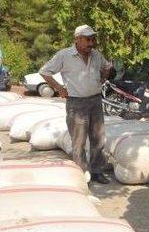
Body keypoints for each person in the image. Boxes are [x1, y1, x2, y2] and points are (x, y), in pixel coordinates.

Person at [39, 24, 112, 184]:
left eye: (93, 39)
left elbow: (107, 66)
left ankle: (97, 171)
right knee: (79, 141)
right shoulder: (64, 55)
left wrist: (103, 78)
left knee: (98, 138)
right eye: (87, 39)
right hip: (76, 103)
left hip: (95, 100)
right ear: (77, 39)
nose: (91, 43)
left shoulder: (96, 55)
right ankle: (81, 173)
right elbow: (44, 71)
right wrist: (59, 88)